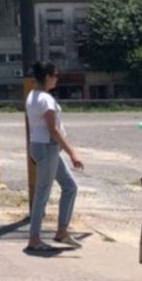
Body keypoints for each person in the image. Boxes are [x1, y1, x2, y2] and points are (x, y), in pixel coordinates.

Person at [25, 62, 84, 253]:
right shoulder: (47, 100)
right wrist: (72, 153)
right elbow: (53, 130)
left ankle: (62, 231)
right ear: (48, 77)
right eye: (56, 75)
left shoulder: (33, 96)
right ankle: (34, 239)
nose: (57, 78)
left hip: (40, 146)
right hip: (48, 147)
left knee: (70, 186)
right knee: (42, 193)